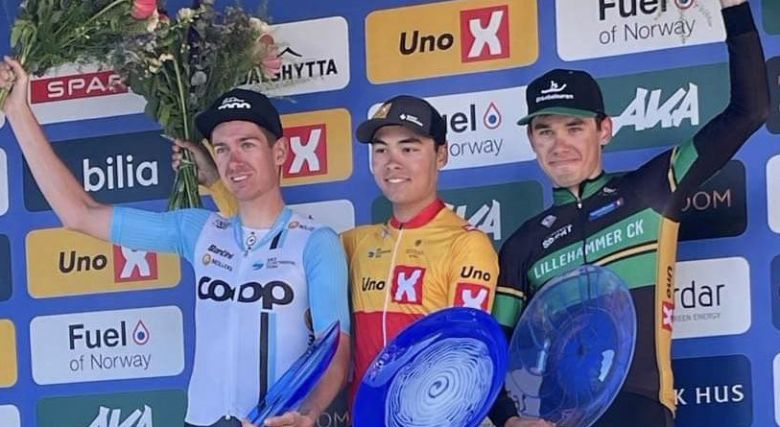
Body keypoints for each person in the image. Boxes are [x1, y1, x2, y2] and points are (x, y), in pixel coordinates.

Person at [0, 62, 350, 427]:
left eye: (247, 144)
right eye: (222, 149)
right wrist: (18, 112)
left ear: (279, 153)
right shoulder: (198, 230)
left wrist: (307, 413)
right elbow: (80, 214)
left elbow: (336, 350)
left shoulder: (315, 242)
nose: (234, 161)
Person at [488, 1, 769, 426]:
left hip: (640, 410)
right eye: (545, 131)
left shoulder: (651, 190)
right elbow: (493, 352)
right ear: (532, 140)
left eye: (574, 128)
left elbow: (751, 111)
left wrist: (734, 9)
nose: (559, 145)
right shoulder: (522, 244)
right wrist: (510, 419)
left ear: (604, 130)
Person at [180, 95, 500, 411]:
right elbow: (273, 236)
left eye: (408, 149)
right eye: (381, 150)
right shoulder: (356, 244)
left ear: (441, 155)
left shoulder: (466, 245)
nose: (393, 162)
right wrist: (218, 183)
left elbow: (466, 361)